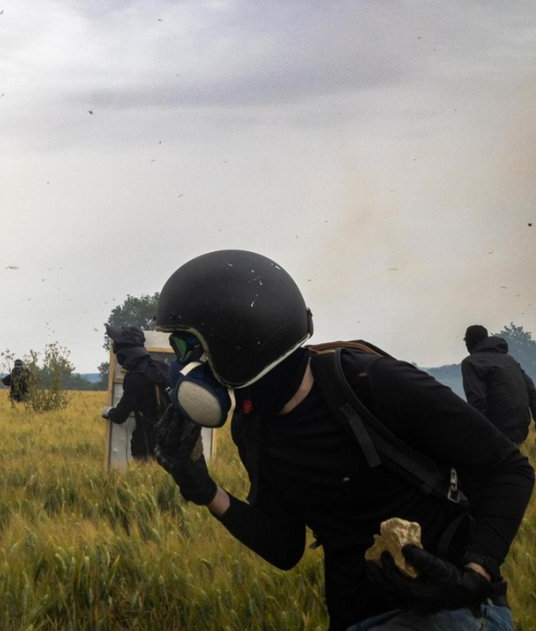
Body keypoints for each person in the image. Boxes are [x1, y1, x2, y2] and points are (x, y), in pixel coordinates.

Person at [151, 250, 533, 631]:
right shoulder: (254, 425)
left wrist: (474, 575)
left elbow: (508, 469)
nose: (182, 366)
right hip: (358, 618)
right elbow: (284, 547)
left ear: (239, 342)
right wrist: (204, 489)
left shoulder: (373, 382)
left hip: (452, 611)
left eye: (186, 347)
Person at [101, 324, 169, 459]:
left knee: (145, 469)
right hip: (171, 440)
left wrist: (108, 412)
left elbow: (120, 415)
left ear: (125, 352)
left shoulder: (134, 378)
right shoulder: (162, 367)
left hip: (147, 442)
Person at [460, 325, 536, 445]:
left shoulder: (471, 362)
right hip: (522, 428)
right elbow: (531, 389)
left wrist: (477, 433)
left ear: (469, 342)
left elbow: (477, 399)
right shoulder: (509, 360)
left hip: (497, 429)